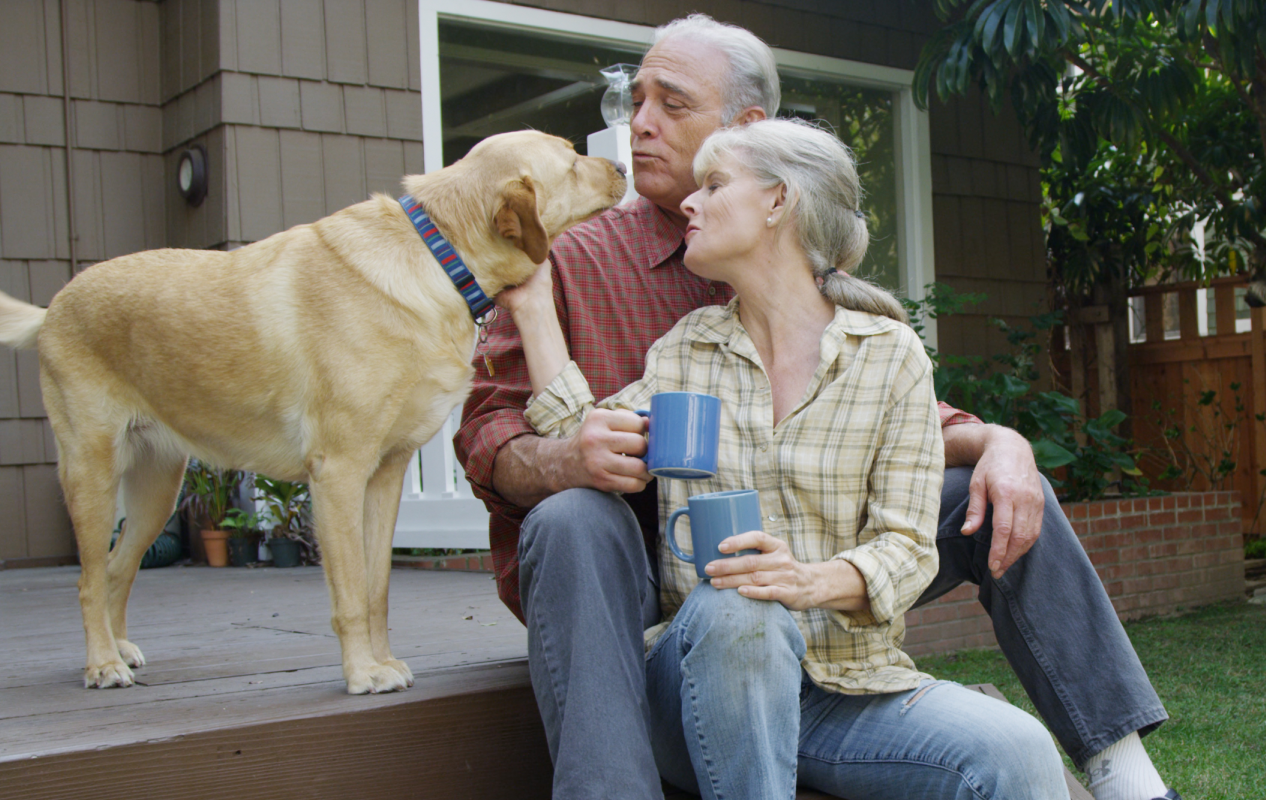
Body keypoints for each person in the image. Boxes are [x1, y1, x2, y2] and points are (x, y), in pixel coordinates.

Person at [455, 14, 1178, 800]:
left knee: (1000, 488)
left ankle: (1123, 771)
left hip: (806, 574)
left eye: (671, 103)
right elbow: (492, 423)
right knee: (585, 522)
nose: (641, 124)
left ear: (755, 149)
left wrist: (998, 441)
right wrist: (567, 453)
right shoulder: (605, 276)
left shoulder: (850, 322)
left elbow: (869, 416)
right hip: (639, 568)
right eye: (637, 102)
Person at [505, 116, 1069, 799]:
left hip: (846, 692)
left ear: (779, 201)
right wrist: (534, 305)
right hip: (696, 691)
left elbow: (912, 547)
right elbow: (582, 435)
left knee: (1019, 751)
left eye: (714, 184)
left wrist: (808, 581)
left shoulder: (889, 357)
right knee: (741, 607)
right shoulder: (688, 350)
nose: (689, 200)